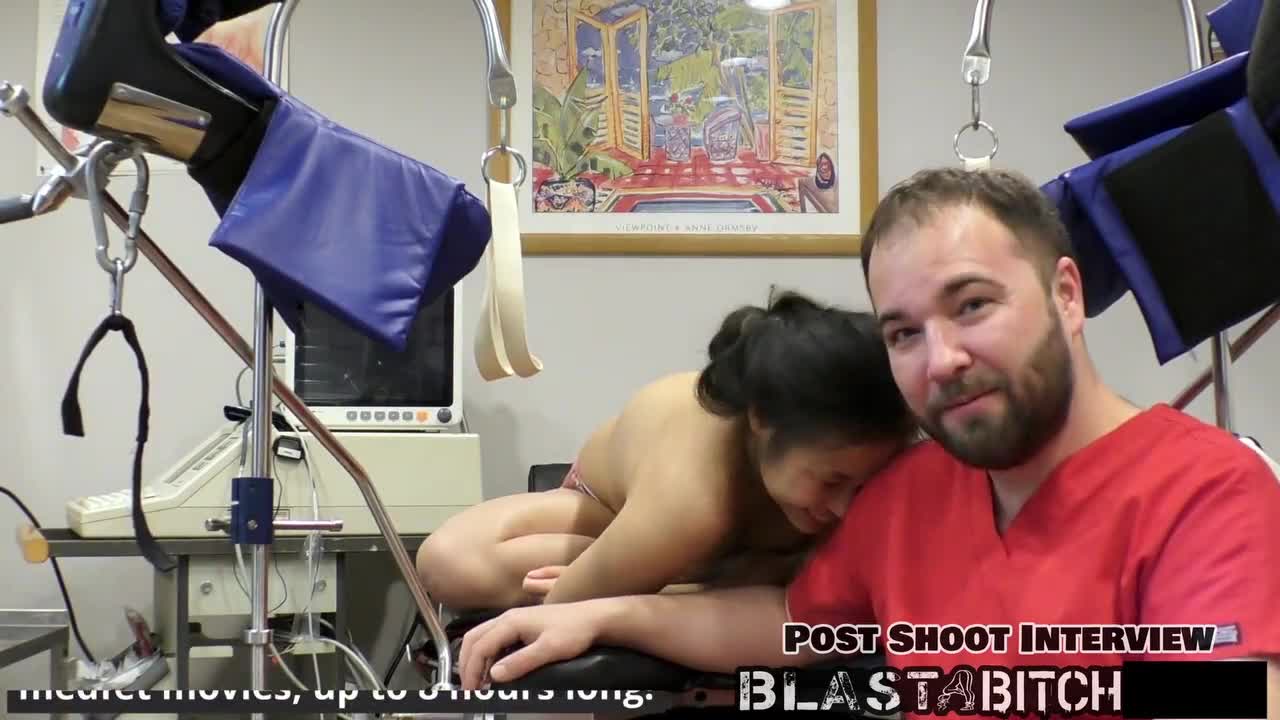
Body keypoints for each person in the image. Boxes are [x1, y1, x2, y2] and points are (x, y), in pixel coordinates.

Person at [454, 167, 1280, 710]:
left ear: (1067, 296)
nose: (942, 360)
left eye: (973, 305)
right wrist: (605, 618)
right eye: (904, 333)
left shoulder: (1205, 492)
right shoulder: (907, 495)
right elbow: (793, 623)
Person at [415, 291, 919, 611]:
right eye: (832, 480)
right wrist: (638, 582)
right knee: (450, 562)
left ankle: (676, 574)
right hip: (603, 510)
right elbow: (561, 611)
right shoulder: (691, 498)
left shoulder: (873, 461)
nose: (844, 508)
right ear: (761, 421)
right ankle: (677, 572)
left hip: (694, 550)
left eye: (863, 486)